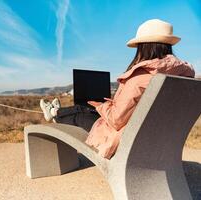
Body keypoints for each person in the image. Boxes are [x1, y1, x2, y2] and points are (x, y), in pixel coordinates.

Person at [40, 19, 195, 159]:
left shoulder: (141, 77)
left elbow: (116, 120)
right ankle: (55, 111)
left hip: (127, 138)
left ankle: (54, 113)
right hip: (157, 137)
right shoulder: (182, 75)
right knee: (86, 109)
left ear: (144, 47)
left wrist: (103, 105)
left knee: (81, 112)